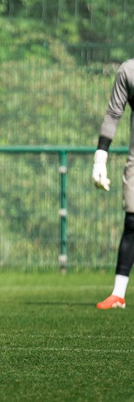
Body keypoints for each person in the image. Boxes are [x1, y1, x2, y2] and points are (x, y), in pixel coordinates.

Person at [93, 58, 134, 309]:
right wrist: (100, 159)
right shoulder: (128, 71)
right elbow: (113, 114)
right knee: (132, 220)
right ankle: (118, 294)